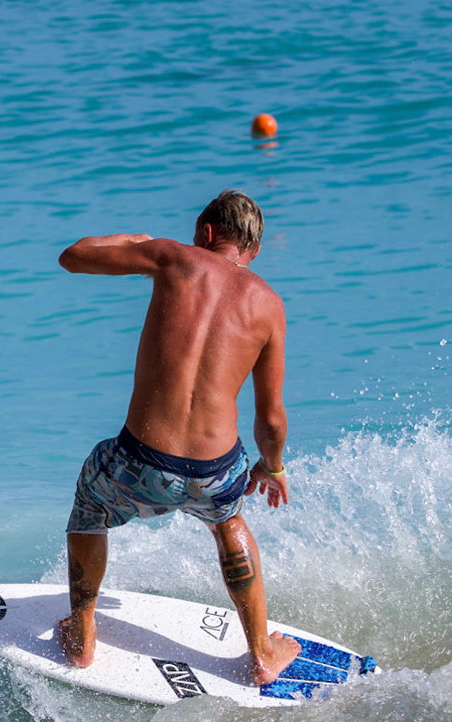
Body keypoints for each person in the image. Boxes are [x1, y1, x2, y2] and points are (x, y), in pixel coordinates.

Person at [56, 190, 301, 686]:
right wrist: (270, 467)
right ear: (252, 248)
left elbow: (73, 256)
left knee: (89, 503)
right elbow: (271, 420)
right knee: (230, 522)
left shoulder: (172, 256)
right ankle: (261, 653)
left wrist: (137, 240)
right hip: (214, 473)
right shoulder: (270, 305)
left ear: (207, 233)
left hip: (137, 463)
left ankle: (82, 633)